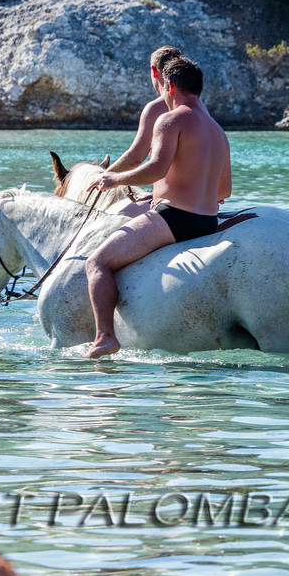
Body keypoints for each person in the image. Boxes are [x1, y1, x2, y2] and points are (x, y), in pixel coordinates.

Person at [84, 57, 230, 357]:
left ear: (170, 85)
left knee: (96, 263)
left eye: (162, 86)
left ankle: (104, 337)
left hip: (174, 218)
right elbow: (224, 190)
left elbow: (155, 169)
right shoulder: (217, 130)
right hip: (209, 222)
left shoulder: (171, 120)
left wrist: (113, 180)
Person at [103, 44, 185, 217]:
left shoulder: (156, 108)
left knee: (111, 220)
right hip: (201, 201)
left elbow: (135, 158)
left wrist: (105, 176)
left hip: (173, 205)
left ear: (154, 72)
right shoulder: (198, 109)